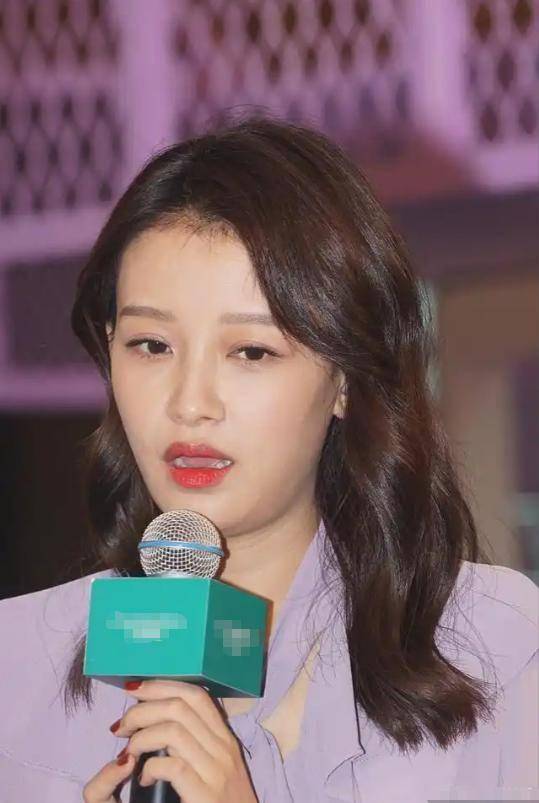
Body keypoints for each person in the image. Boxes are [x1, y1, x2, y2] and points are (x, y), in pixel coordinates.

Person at [0, 114, 537, 803]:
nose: (190, 404)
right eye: (151, 346)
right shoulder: (17, 662)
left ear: (344, 378)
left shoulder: (494, 646)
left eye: (250, 352)